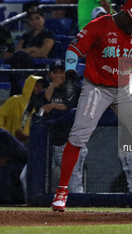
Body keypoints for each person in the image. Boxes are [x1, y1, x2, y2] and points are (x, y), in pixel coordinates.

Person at [51, 0, 132, 212]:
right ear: (126, 14)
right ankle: (62, 192)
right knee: (79, 135)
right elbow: (73, 49)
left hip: (125, 88)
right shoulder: (100, 25)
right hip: (97, 87)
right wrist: (71, 76)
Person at [33, 59, 88, 193]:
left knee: (74, 184)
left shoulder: (76, 90)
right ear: (50, 74)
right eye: (55, 72)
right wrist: (51, 87)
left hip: (70, 143)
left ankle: (80, 213)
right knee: (28, 178)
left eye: (62, 72)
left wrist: (52, 106)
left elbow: (69, 107)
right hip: (48, 146)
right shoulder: (43, 93)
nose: (59, 75)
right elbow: (40, 108)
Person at [7, 6, 56, 96]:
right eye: (32, 19)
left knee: (19, 59)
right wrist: (32, 49)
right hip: (22, 65)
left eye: (37, 18)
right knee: (17, 62)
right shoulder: (26, 36)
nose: (35, 21)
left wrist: (26, 54)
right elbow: (17, 51)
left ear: (43, 19)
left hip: (38, 68)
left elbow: (43, 52)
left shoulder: (48, 34)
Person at [0, 75, 49, 143]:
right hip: (11, 142)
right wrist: (7, 135)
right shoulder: (14, 100)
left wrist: (28, 137)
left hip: (33, 144)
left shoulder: (45, 106)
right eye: (36, 85)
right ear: (29, 85)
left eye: (42, 86)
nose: (39, 88)